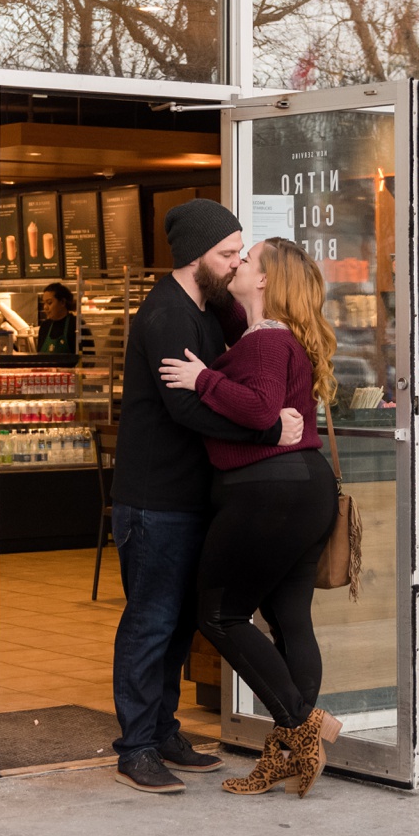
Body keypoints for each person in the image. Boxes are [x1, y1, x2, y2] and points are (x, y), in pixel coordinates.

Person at [111, 199, 306, 795]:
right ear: (195, 254)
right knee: (150, 621)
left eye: (237, 253)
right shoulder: (166, 315)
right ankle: (137, 747)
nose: (234, 263)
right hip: (153, 499)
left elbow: (244, 367)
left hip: (191, 498)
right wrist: (270, 429)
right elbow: (189, 406)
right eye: (226, 254)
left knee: (176, 626)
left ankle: (163, 731)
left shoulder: (208, 308)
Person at [160, 236, 342, 797]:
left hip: (268, 492)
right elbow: (224, 302)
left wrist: (202, 380)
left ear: (264, 280)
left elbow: (261, 409)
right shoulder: (271, 333)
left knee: (218, 614)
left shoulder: (265, 342)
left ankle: (302, 726)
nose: (238, 263)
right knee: (290, 617)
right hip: (304, 487)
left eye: (248, 258)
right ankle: (289, 753)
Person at [36, 281, 79, 355]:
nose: (45, 307)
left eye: (49, 303)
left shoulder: (76, 325)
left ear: (62, 302)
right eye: (44, 303)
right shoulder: (45, 326)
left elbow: (88, 360)